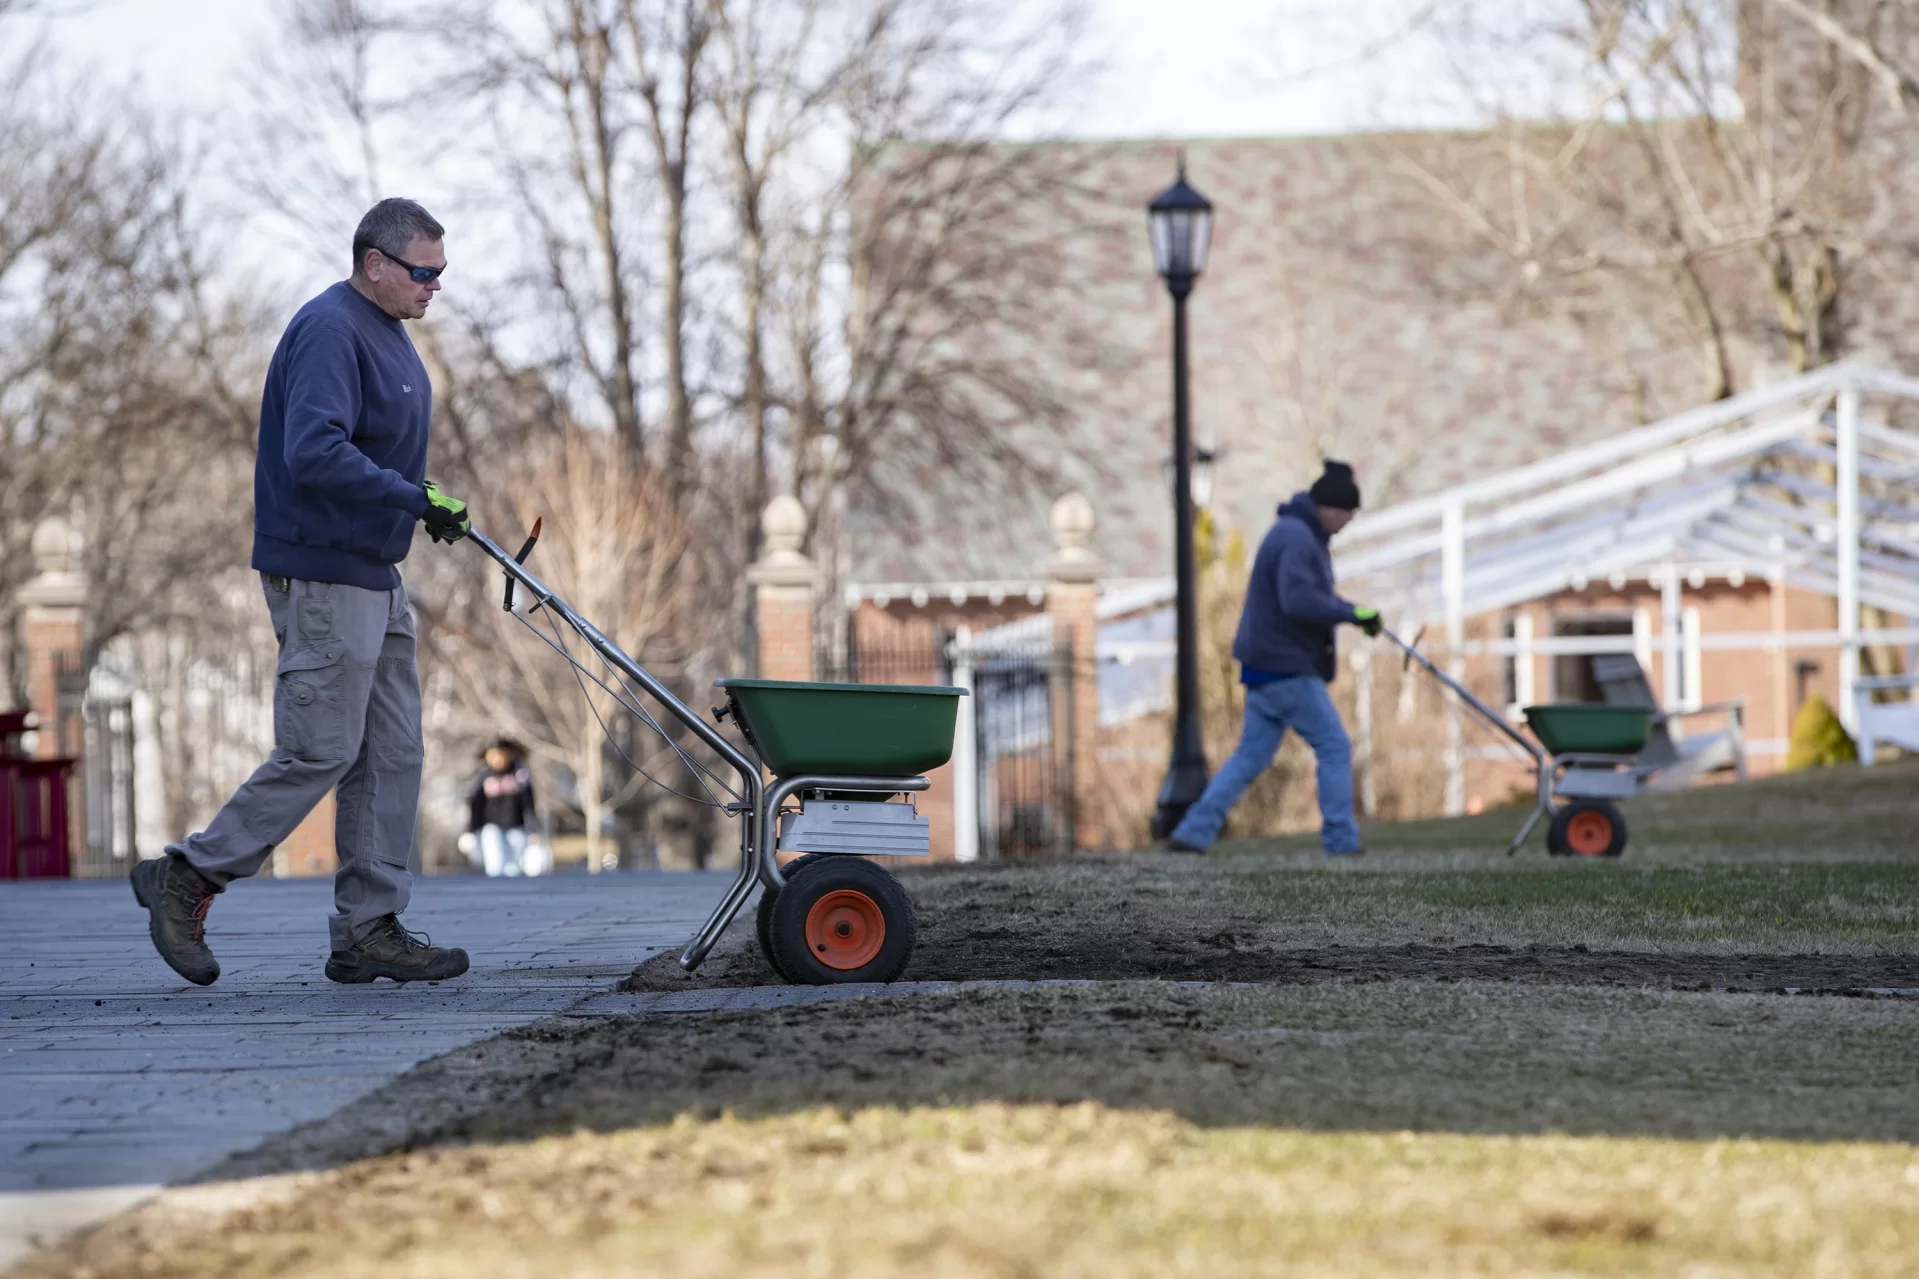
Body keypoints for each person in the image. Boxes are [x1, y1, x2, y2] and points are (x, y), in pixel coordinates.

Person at [131, 198, 475, 986]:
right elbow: (314, 450)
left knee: (392, 752)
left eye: (440, 276)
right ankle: (188, 874)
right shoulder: (330, 328)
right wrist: (408, 496)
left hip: (374, 574)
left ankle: (369, 927)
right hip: (324, 571)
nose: (433, 288)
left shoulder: (384, 333)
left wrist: (418, 500)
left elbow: (365, 451)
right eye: (422, 272)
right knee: (320, 746)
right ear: (375, 263)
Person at [1166, 459, 1382, 857]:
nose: (1345, 526)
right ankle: (1341, 842)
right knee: (1334, 746)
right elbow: (1298, 600)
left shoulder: (1292, 532)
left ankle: (1192, 833)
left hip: (1262, 667)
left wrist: (1347, 612)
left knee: (1250, 757)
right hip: (1287, 667)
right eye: (1346, 518)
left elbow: (1303, 596)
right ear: (1330, 509)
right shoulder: (1298, 538)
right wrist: (1351, 612)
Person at [461, 739, 545, 877]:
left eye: (501, 754)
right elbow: (474, 804)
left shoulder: (519, 773)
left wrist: (533, 829)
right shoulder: (483, 775)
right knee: (495, 867)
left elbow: (528, 803)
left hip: (516, 827)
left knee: (513, 869)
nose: (497, 759)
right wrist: (470, 830)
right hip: (492, 827)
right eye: (493, 755)